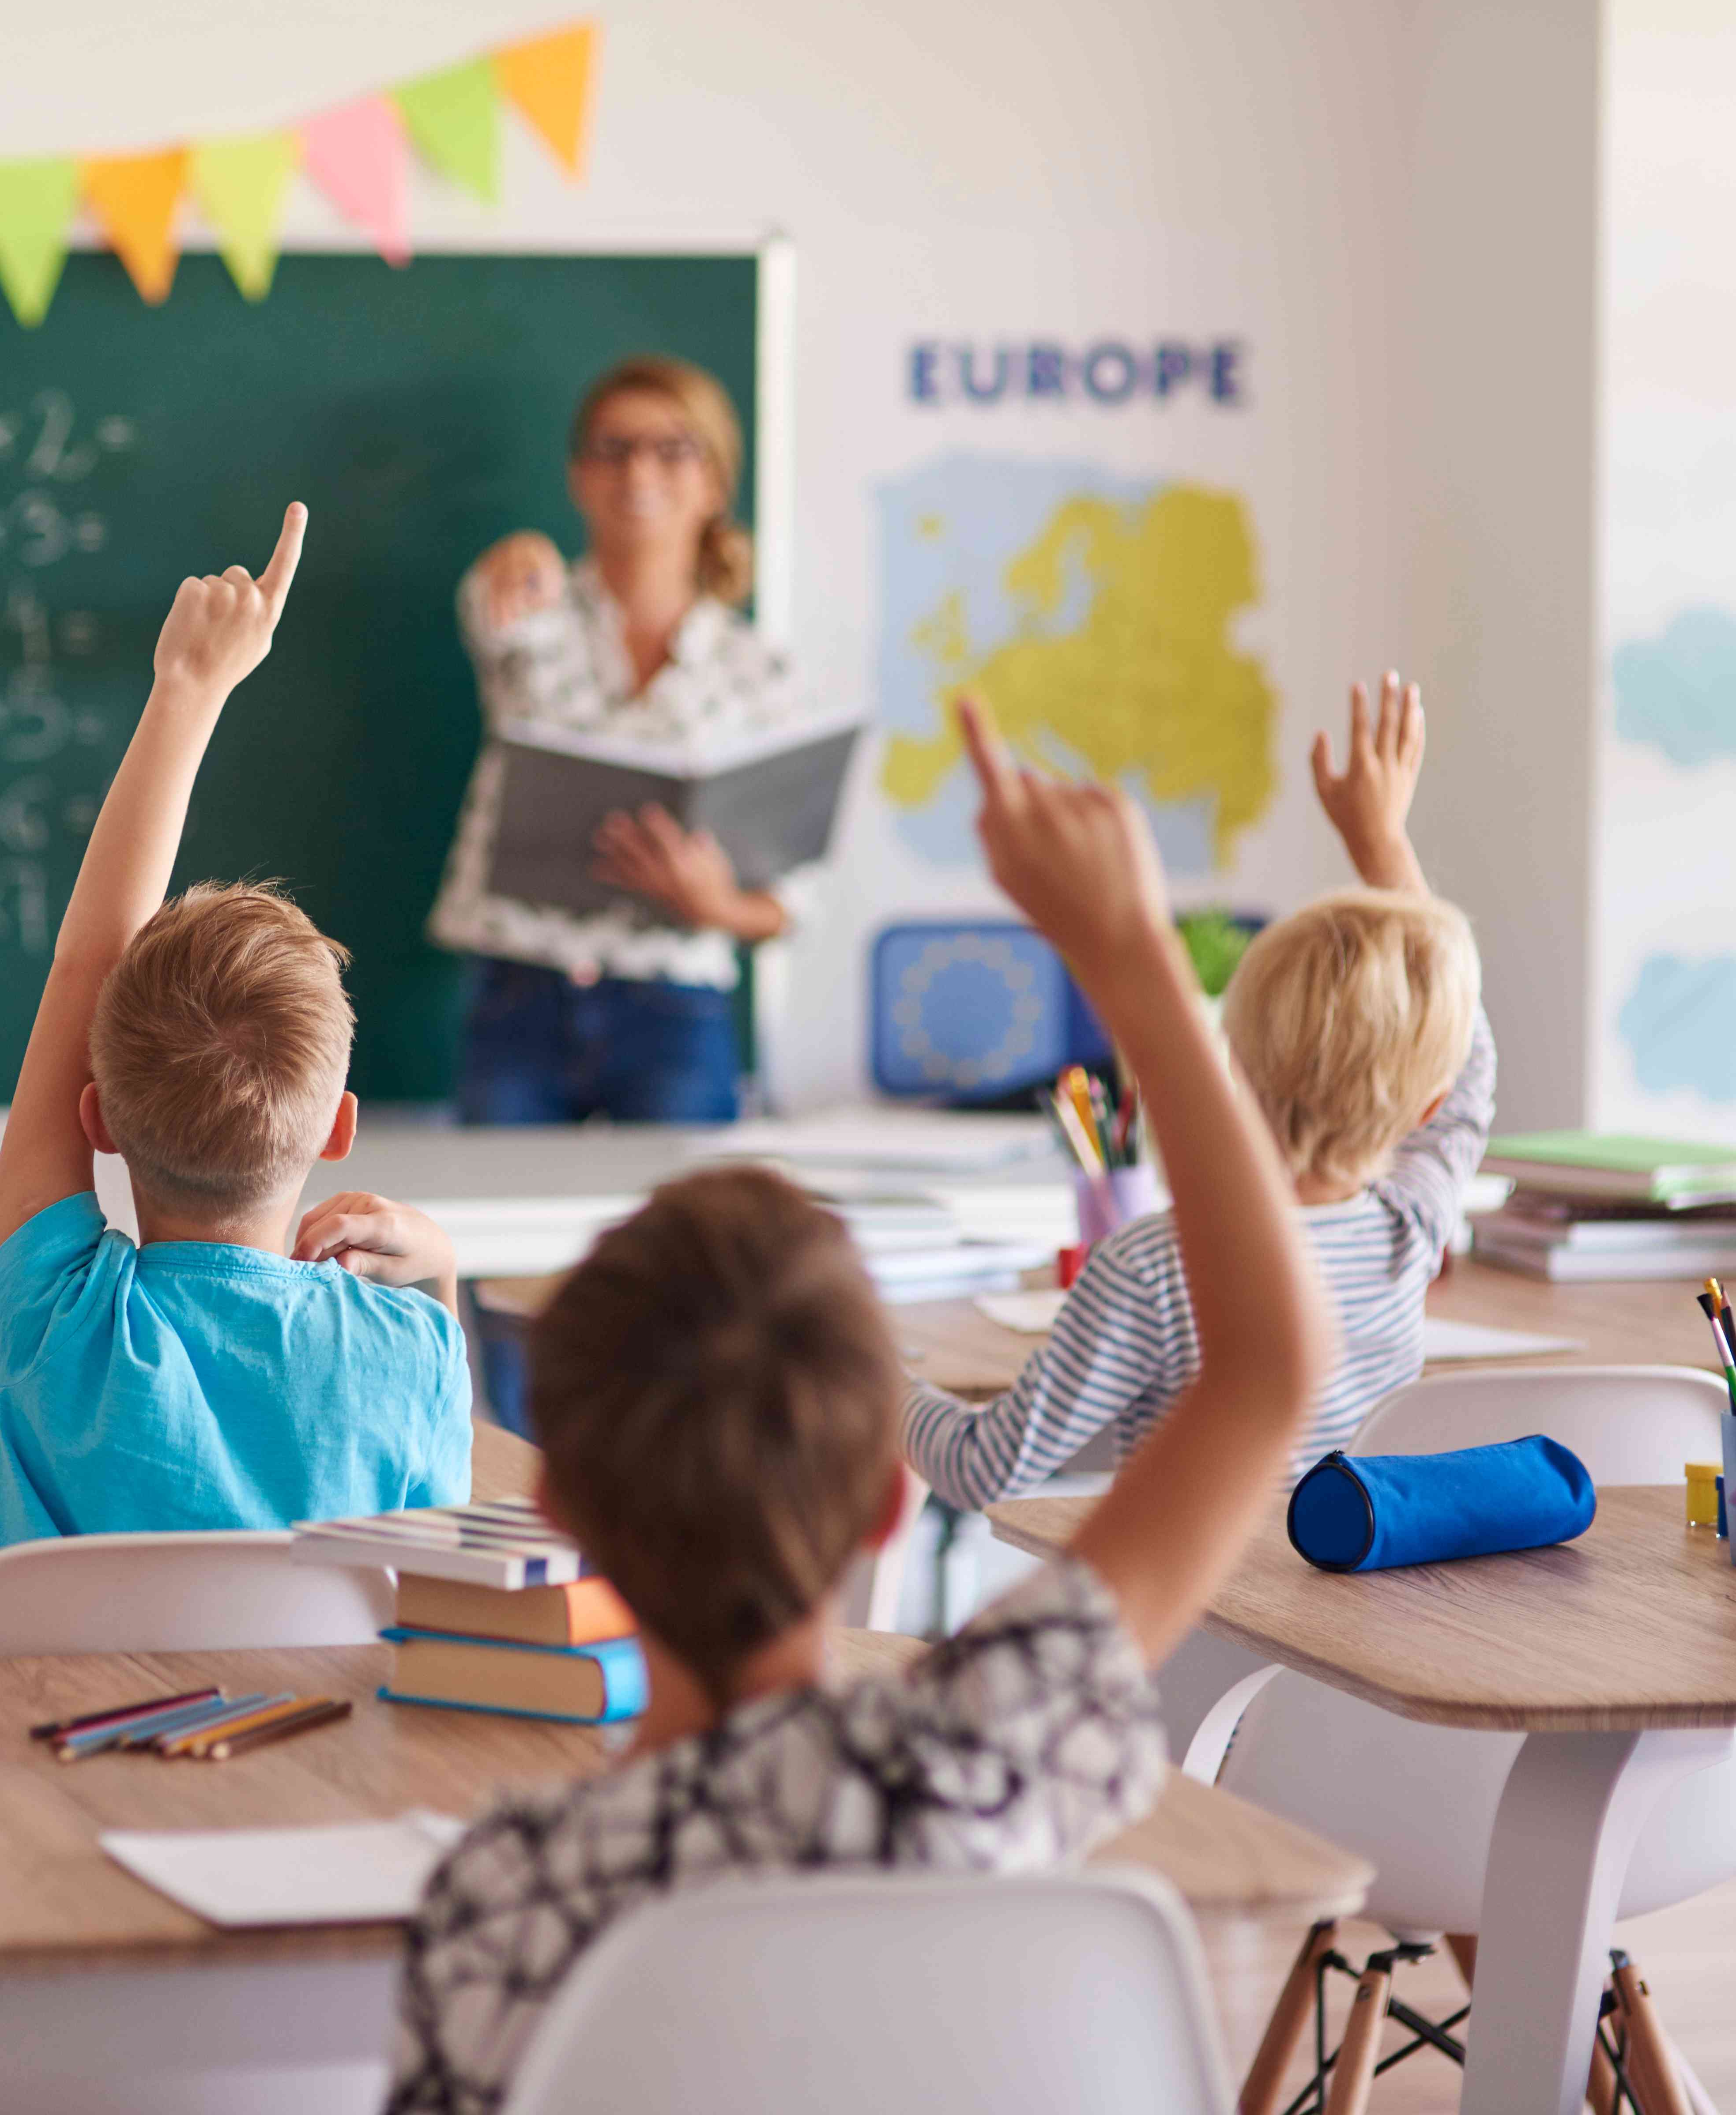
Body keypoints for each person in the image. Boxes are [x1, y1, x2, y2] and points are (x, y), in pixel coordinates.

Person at [384, 695, 1333, 2113]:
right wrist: (1133, 962)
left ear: (558, 1509)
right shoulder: (980, 1759)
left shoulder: (511, 1896)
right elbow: (1268, 1371)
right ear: (892, 1494)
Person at [0, 502, 473, 1561]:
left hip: (43, 1731)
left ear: (94, 1118)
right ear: (337, 1127)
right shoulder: (407, 1353)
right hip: (318, 1730)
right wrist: (441, 1277)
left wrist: (185, 693)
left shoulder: (58, 1326)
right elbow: (436, 1578)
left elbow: (81, 968)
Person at [904, 674, 1491, 1510]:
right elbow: (1469, 1072)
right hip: (1337, 1626)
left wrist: (872, 1377)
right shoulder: (1410, 1234)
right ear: (1424, 1107)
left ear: (1233, 1063)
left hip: (1187, 1628)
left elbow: (980, 1469)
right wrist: (1383, 842)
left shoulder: (1154, 1267)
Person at [428, 354, 814, 1124]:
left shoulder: (758, 671)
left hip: (676, 1008)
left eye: (673, 449)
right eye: (613, 448)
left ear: (714, 483)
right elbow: (489, 607)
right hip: (519, 995)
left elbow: (789, 904)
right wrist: (515, 559)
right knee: (502, 1233)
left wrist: (717, 906)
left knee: (688, 1240)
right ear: (578, 476)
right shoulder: (530, 608)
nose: (639, 469)